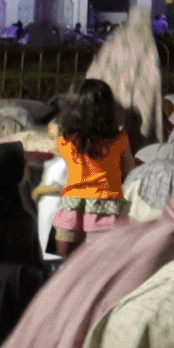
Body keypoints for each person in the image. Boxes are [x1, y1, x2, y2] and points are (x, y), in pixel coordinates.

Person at [51, 78, 132, 260]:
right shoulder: (120, 139)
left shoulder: (65, 140)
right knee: (104, 267)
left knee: (65, 267)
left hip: (71, 206)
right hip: (107, 207)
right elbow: (128, 172)